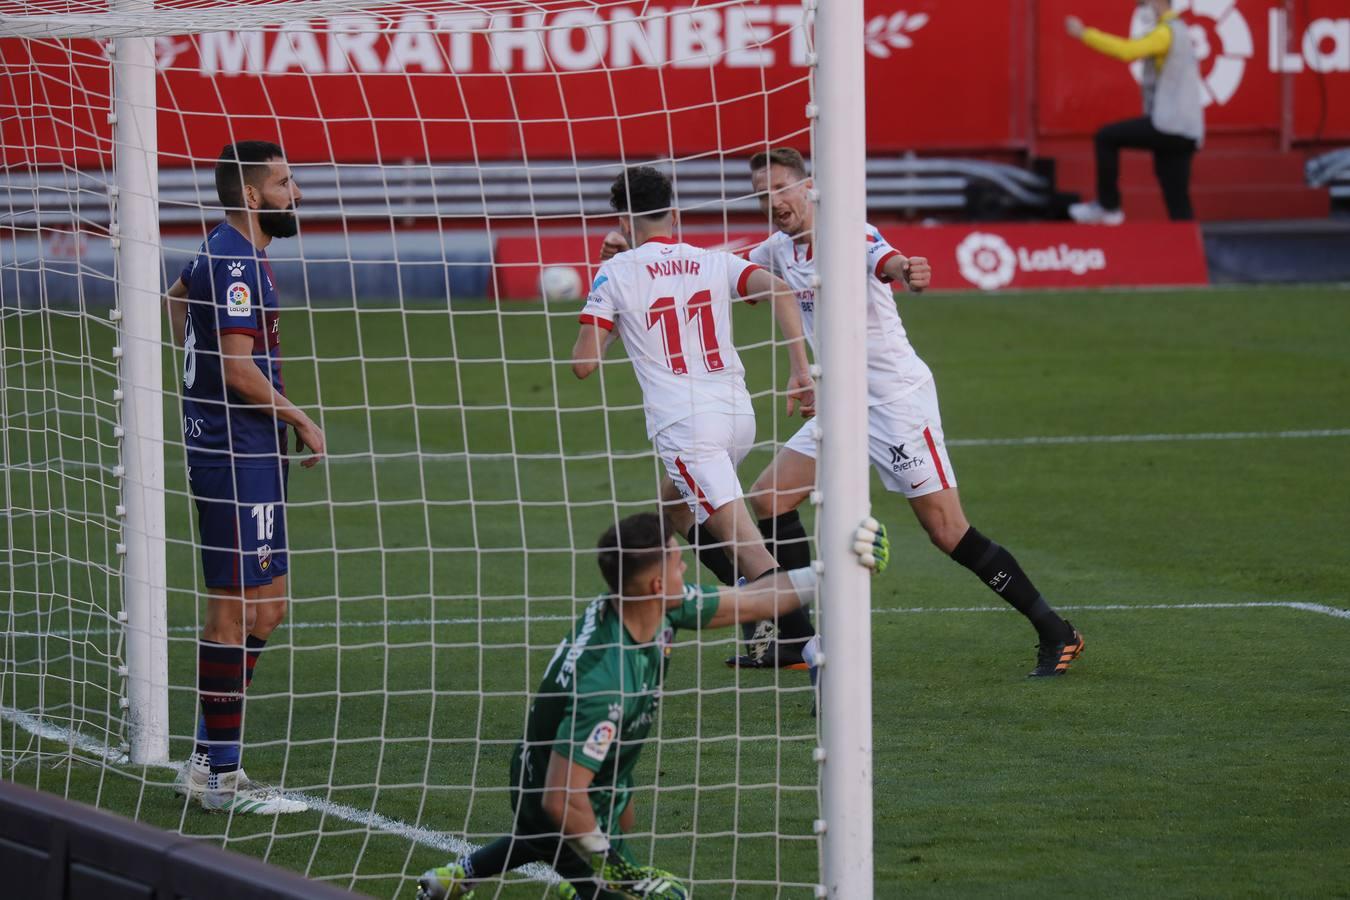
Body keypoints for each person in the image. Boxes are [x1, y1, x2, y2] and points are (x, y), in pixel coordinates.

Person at [415, 512, 888, 899]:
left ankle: (458, 877)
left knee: (619, 820)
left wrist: (835, 573)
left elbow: (748, 603)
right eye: (680, 564)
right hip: (556, 787)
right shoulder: (608, 680)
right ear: (656, 583)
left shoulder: (646, 603)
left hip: (579, 768)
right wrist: (629, 878)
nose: (687, 572)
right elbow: (561, 800)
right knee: (621, 874)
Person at [741, 148, 1084, 678]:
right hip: (842, 404)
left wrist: (908, 270)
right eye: (763, 195)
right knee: (766, 499)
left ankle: (1055, 630)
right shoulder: (780, 248)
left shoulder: (848, 234)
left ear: (809, 187)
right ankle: (795, 637)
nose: (774, 203)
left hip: (895, 403)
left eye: (781, 189)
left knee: (947, 531)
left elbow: (889, 260)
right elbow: (721, 263)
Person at [572, 166, 816, 665]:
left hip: (687, 428)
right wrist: (799, 369)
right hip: (736, 416)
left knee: (751, 549)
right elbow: (780, 290)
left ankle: (809, 645)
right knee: (672, 511)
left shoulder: (615, 273)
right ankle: (752, 605)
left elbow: (584, 363)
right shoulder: (711, 261)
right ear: (674, 214)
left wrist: (603, 290)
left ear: (621, 219)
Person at [165, 141, 325, 813]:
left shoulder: (230, 251)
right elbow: (235, 366)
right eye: (286, 183)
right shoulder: (236, 259)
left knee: (270, 605)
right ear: (254, 195)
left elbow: (176, 300)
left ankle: (205, 760)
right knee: (232, 613)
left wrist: (191, 360)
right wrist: (302, 419)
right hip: (234, 453)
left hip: (251, 449)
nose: (296, 193)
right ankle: (222, 779)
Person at [1065, 0, 1205, 224]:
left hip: (1169, 126)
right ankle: (1187, 251)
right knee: (1177, 200)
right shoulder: (1179, 30)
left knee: (1106, 137)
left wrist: (1083, 33)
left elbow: (1127, 51)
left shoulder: (1165, 33)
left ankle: (1108, 206)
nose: (1141, 6)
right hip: (1186, 130)